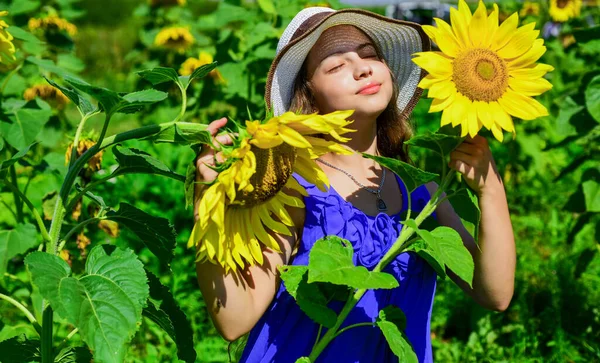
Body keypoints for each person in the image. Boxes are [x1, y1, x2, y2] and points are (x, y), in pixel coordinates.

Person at [193, 6, 516, 363]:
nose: (361, 68)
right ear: (309, 94)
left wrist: (490, 190)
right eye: (336, 65)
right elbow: (235, 317)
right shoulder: (295, 187)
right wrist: (208, 206)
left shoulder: (420, 195)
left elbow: (495, 294)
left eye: (370, 55)